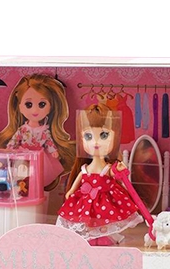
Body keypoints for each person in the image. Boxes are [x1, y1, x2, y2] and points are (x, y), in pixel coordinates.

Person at [56, 104, 143, 246]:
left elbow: (116, 174)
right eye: (88, 136)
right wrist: (71, 191)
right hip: (86, 200)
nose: (95, 142)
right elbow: (78, 181)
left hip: (105, 199)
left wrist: (120, 169)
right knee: (87, 220)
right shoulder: (85, 169)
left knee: (104, 219)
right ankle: (91, 238)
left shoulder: (107, 168)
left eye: (104, 135)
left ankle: (104, 236)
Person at [0, 74, 75, 189]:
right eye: (29, 104)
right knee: (21, 176)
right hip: (23, 156)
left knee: (38, 177)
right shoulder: (23, 129)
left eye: (42, 104)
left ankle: (34, 189)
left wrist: (53, 151)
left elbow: (48, 141)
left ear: (50, 107)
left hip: (40, 156)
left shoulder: (44, 130)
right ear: (20, 107)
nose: (35, 110)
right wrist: (10, 148)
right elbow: (15, 139)